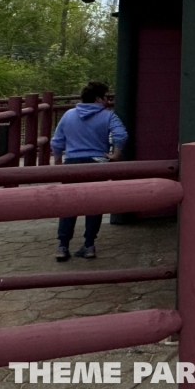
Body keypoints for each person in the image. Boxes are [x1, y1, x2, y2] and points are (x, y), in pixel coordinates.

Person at [51, 81, 127, 262]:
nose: (108, 100)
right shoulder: (108, 116)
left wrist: (58, 163)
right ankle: (89, 245)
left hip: (72, 164)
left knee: (69, 204)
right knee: (94, 205)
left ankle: (62, 246)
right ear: (98, 98)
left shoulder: (68, 115)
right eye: (107, 97)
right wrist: (115, 155)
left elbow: (57, 141)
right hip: (97, 163)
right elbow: (121, 135)